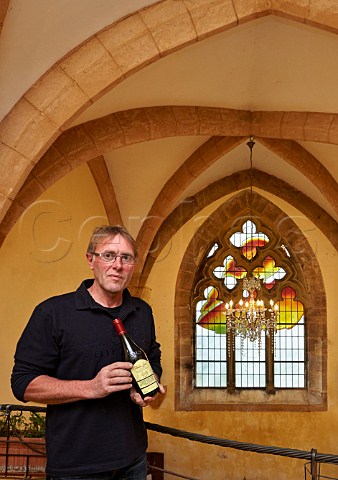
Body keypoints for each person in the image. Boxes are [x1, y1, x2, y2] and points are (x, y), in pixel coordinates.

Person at [11, 225, 165, 480]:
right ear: (91, 260)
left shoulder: (142, 312)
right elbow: (22, 383)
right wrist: (91, 388)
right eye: (108, 255)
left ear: (133, 265)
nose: (117, 264)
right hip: (76, 467)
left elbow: (153, 356)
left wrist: (148, 385)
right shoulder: (52, 313)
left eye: (126, 258)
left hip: (134, 459)